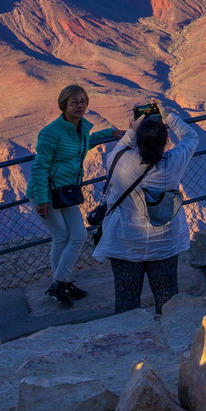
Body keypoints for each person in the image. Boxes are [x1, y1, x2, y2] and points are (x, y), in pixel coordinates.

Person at [92, 106, 199, 314]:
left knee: (126, 300)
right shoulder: (174, 162)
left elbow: (124, 144)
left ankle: (130, 340)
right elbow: (191, 136)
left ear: (138, 140)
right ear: (164, 142)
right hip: (164, 243)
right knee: (168, 299)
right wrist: (168, 116)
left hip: (125, 243)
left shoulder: (117, 160)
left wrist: (135, 127)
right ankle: (172, 337)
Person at [30, 85, 125, 307]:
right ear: (63, 105)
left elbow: (84, 143)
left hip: (67, 191)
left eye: (83, 101)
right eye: (75, 102)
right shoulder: (50, 133)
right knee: (62, 236)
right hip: (46, 192)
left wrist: (109, 133)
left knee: (79, 235)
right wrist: (42, 199)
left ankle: (59, 284)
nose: (80, 106)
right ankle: (60, 284)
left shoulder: (79, 128)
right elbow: (39, 168)